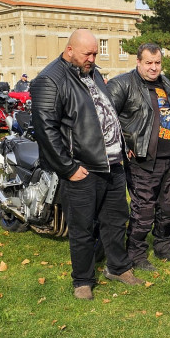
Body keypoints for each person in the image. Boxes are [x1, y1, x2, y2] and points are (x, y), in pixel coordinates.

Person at [30, 28, 140, 300]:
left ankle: (118, 267)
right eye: (87, 53)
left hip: (112, 164)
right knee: (82, 228)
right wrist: (68, 168)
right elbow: (46, 129)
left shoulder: (93, 73)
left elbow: (105, 111)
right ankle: (82, 280)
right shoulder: (50, 79)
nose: (93, 58)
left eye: (94, 53)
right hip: (82, 168)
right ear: (69, 50)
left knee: (115, 220)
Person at [107, 43, 170, 272]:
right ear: (138, 62)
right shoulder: (122, 84)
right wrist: (124, 145)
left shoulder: (165, 83)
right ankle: (136, 254)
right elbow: (107, 118)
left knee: (169, 207)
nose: (153, 67)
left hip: (168, 158)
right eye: (148, 63)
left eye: (157, 62)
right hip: (141, 159)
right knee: (144, 210)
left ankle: (162, 245)